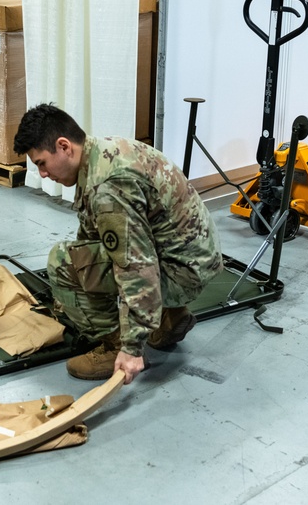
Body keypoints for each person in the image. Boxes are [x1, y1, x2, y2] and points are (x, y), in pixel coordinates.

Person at [13, 104, 223, 384]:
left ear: (64, 146)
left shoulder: (107, 186)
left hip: (180, 272)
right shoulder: (102, 152)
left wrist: (132, 348)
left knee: (62, 262)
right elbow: (92, 237)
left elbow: (136, 265)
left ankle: (112, 345)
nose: (42, 174)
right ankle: (169, 318)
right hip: (190, 258)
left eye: (41, 163)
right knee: (82, 258)